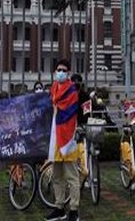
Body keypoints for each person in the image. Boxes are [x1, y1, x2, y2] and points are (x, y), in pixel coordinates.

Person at [45, 59, 80, 221]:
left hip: (67, 137)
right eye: (58, 69)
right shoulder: (53, 89)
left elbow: (71, 111)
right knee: (57, 175)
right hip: (55, 137)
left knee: (72, 176)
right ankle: (59, 207)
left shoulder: (72, 91)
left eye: (63, 70)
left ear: (68, 73)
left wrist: (57, 109)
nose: (60, 72)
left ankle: (74, 210)